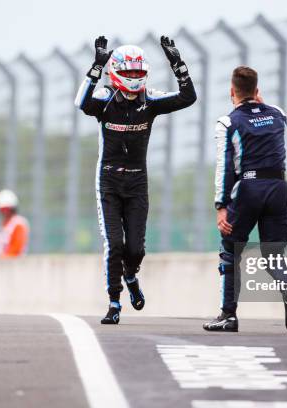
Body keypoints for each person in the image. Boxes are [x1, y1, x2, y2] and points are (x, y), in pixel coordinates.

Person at [76, 35, 197, 324]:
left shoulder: (150, 100)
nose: (133, 78)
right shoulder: (105, 99)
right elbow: (82, 102)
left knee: (136, 249)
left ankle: (131, 275)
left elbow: (187, 97)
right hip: (107, 180)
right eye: (128, 72)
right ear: (116, 72)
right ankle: (114, 302)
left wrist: (177, 63)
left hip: (137, 182)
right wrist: (96, 66)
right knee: (115, 244)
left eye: (138, 73)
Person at [203, 66, 287, 333]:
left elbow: (224, 167)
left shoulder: (228, 122)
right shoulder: (278, 115)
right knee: (273, 253)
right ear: (258, 91)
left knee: (230, 252)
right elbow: (269, 112)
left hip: (248, 189)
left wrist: (221, 206)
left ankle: (228, 316)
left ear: (232, 91)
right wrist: (260, 103)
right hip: (279, 188)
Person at [0, 189, 29, 258]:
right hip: (2, 265)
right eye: (2, 209)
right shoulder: (3, 225)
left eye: (7, 209)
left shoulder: (18, 224)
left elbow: (15, 252)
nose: (4, 212)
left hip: (13, 266)